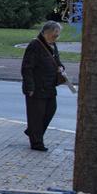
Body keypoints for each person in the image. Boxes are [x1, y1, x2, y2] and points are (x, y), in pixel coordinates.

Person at [21, 20, 66, 151]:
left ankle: (33, 132)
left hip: (50, 86)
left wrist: (61, 67)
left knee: (51, 110)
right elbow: (27, 68)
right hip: (37, 87)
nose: (56, 37)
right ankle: (36, 142)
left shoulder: (53, 45)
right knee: (36, 115)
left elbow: (57, 61)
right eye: (55, 34)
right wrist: (30, 87)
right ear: (46, 32)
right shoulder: (35, 45)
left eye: (57, 35)